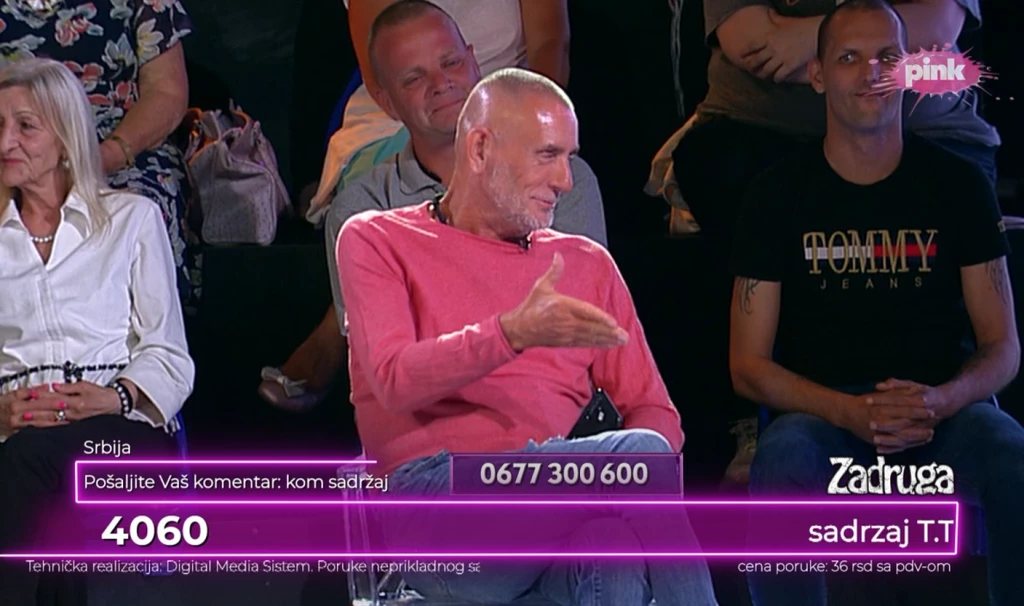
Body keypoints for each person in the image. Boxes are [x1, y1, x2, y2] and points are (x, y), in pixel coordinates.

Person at [335, 66, 718, 606]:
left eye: (569, 157)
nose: (565, 180)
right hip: (439, 508)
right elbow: (395, 380)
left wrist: (587, 472)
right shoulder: (377, 240)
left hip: (555, 507)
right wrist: (511, 333)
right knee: (641, 457)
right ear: (480, 149)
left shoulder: (585, 264)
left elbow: (655, 413)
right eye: (547, 155)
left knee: (611, 550)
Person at [727, 2, 1024, 604]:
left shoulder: (959, 184)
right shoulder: (774, 194)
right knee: (781, 462)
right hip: (822, 418)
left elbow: (1003, 348)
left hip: (940, 415)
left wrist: (940, 401)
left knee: (1012, 454)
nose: (871, 73)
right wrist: (849, 412)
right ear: (817, 75)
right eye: (849, 57)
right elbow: (747, 366)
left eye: (887, 57)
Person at [259, 0, 602, 408]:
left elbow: (585, 326)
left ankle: (335, 330)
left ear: (472, 62)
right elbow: (393, 373)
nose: (440, 83)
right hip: (427, 418)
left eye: (451, 63)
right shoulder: (361, 209)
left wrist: (529, 130)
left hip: (546, 406)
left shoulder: (569, 182)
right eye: (417, 77)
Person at [0, 58, 194, 604]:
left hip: (118, 430)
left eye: (25, 126)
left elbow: (170, 355)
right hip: (16, 432)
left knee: (28, 466)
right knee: (29, 466)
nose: (6, 141)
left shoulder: (131, 220)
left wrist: (116, 397)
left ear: (65, 138)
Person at [673, 0, 1000, 248]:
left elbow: (938, 25)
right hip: (760, 131)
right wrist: (874, 58)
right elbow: (750, 42)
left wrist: (814, 38)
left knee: (957, 194)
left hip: (925, 130)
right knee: (719, 173)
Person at [0, 0, 197, 305]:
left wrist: (101, 157)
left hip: (122, 148)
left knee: (137, 207)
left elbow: (167, 93)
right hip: (11, 143)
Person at [305, 0, 570, 221]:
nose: (442, 84)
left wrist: (534, 122)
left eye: (453, 62)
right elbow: (380, 76)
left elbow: (549, 42)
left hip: (505, 110)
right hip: (398, 122)